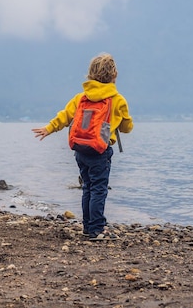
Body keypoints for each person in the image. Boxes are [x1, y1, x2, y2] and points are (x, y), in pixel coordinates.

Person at [32, 53, 133, 241]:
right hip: (100, 151)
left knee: (87, 187)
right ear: (114, 76)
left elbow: (65, 116)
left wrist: (49, 128)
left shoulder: (81, 97)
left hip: (80, 149)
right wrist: (122, 120)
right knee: (99, 189)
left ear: (90, 74)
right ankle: (96, 229)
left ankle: (87, 227)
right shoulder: (117, 100)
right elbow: (127, 128)